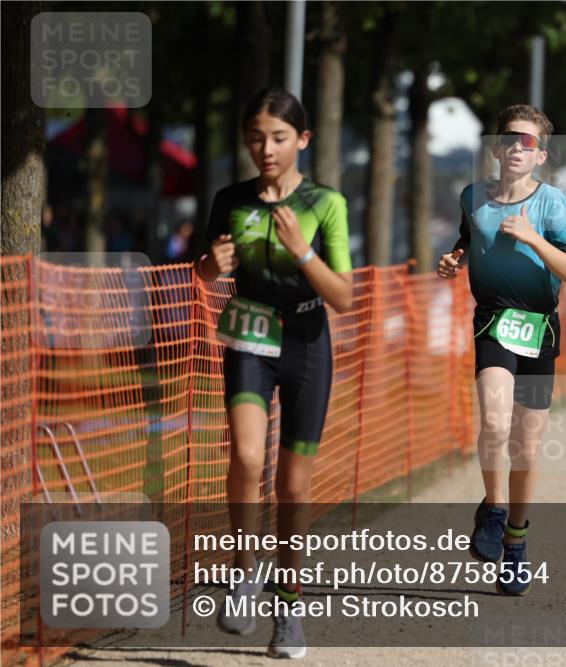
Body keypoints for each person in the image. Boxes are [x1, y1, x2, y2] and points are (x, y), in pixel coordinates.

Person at [195, 88, 353, 659]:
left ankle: (289, 614)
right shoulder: (230, 199)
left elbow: (344, 298)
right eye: (257, 137)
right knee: (243, 455)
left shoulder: (325, 203)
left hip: (308, 340)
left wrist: (302, 251)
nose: (266, 148)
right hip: (248, 336)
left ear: (302, 140)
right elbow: (205, 272)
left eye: (279, 138)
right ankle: (244, 569)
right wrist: (211, 265)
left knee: (292, 487)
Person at [437, 104, 566, 596]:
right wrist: (454, 260)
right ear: (497, 148)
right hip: (494, 322)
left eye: (528, 142)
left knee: (525, 445)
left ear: (540, 154)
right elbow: (468, 238)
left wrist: (532, 238)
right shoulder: (472, 197)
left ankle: (517, 544)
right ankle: (495, 510)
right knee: (495, 423)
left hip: (540, 329)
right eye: (509, 139)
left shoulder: (553, 205)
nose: (517, 148)